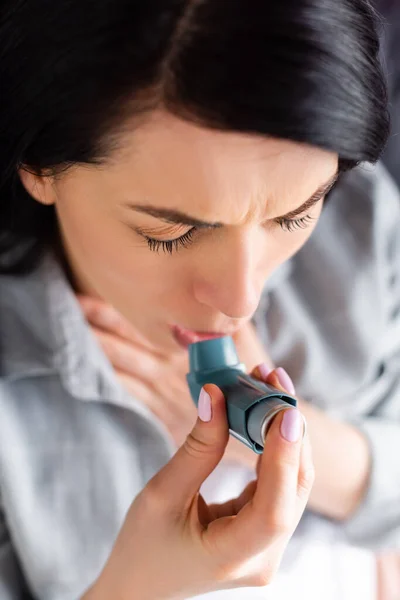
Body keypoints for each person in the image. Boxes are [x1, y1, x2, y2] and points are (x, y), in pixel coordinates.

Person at [0, 0, 393, 598]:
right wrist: (131, 587)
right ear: (40, 166)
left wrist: (301, 441)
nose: (241, 302)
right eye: (172, 232)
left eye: (293, 216)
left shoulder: (362, 227)